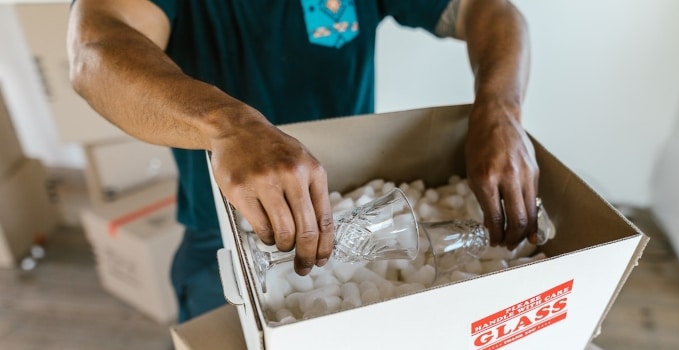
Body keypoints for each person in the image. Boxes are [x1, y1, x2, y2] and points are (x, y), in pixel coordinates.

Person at [67, 0, 539, 323]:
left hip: (349, 205)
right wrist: (231, 127)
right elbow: (95, 51)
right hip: (223, 230)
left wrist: (500, 110)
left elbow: (487, 10)